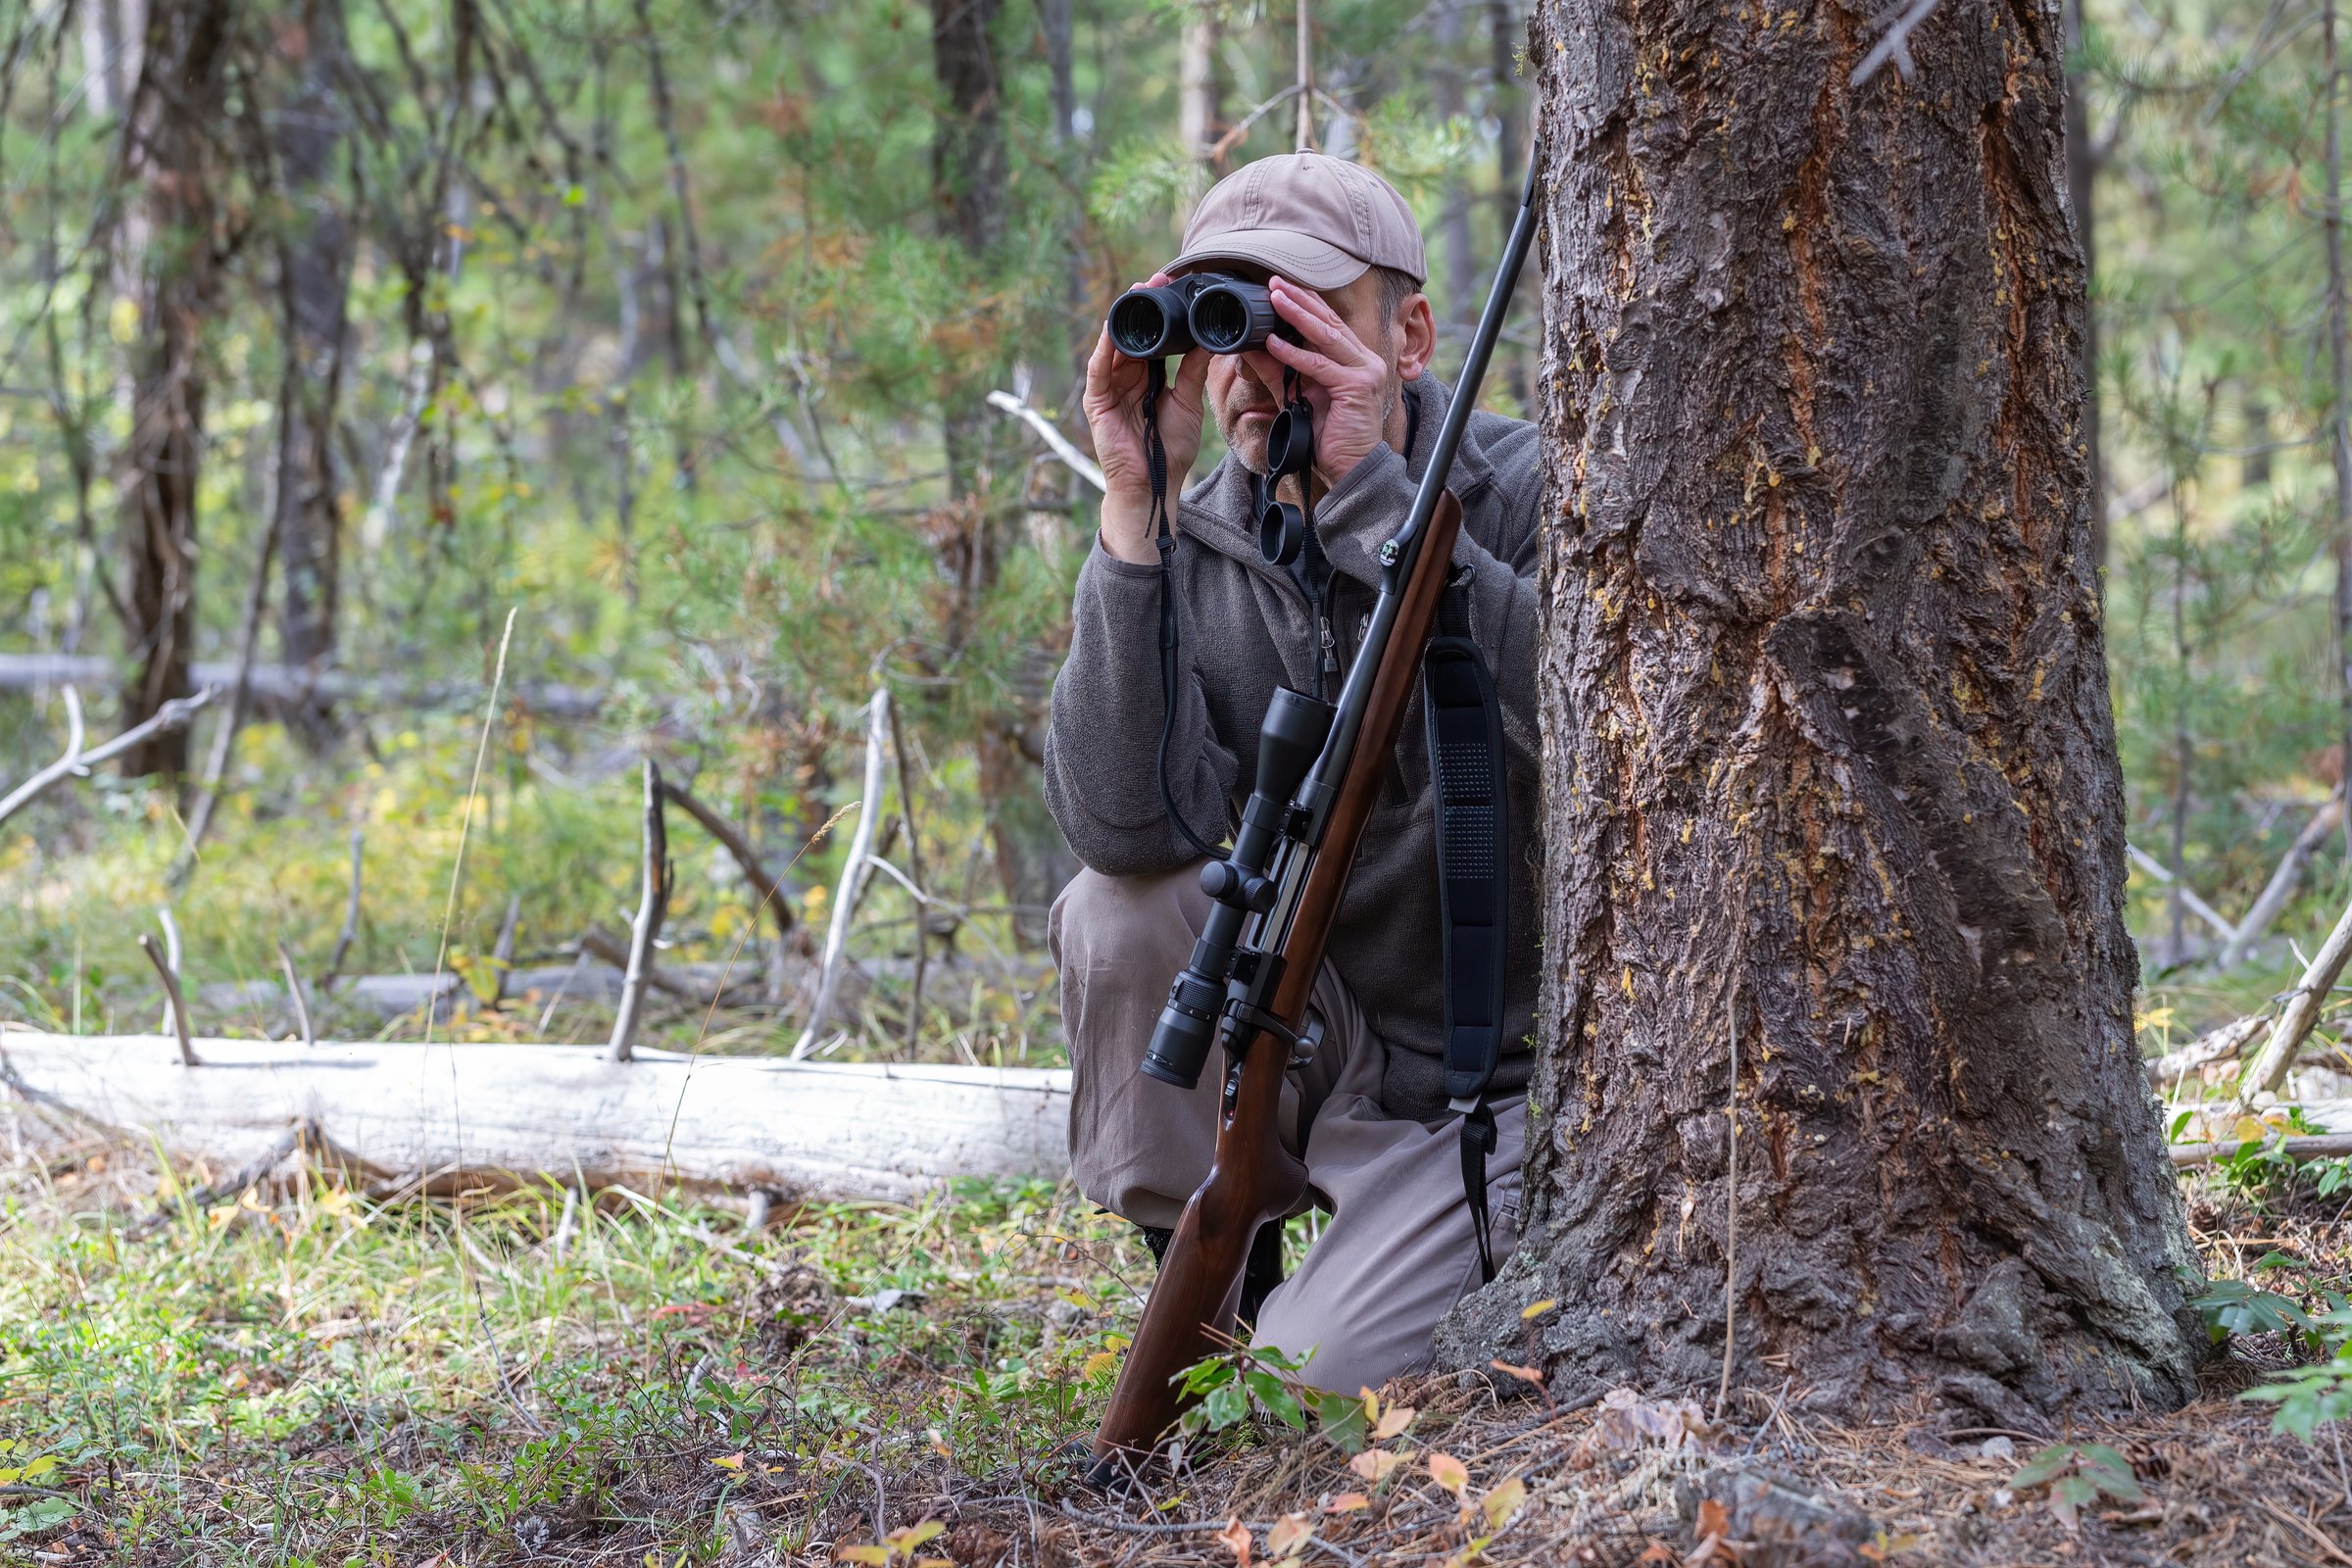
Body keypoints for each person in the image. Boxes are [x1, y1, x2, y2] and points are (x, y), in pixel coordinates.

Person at [1044, 151, 1544, 1396]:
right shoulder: (1197, 528)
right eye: (1232, 322)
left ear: (1410, 333)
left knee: (1307, 1387)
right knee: (1117, 908)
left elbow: (1593, 720)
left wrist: (1379, 504)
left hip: (1485, 1077)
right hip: (1313, 1032)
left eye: (1302, 315)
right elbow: (1124, 822)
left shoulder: (1525, 489)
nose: (1262, 368)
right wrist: (1135, 513)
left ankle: (1297, 1313)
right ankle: (1215, 1261)